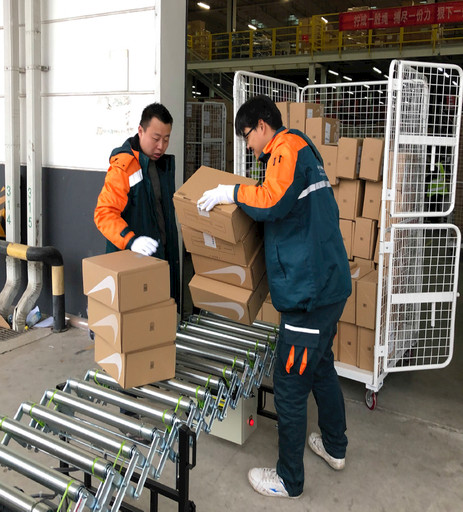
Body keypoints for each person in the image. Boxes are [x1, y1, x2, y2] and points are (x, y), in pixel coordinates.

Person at [197, 95, 351, 499]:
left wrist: (231, 191)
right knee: (321, 367)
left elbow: (273, 202)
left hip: (308, 294)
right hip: (327, 285)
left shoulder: (286, 148)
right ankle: (335, 446)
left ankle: (288, 479)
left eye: (248, 136)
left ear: (263, 125)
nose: (249, 146)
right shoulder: (302, 149)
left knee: (290, 382)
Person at [94, 102, 180, 306]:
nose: (161, 146)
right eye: (156, 139)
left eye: (166, 139)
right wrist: (131, 241)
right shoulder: (123, 167)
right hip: (131, 263)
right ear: (140, 131)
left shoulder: (163, 165)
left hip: (160, 258)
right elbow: (104, 214)